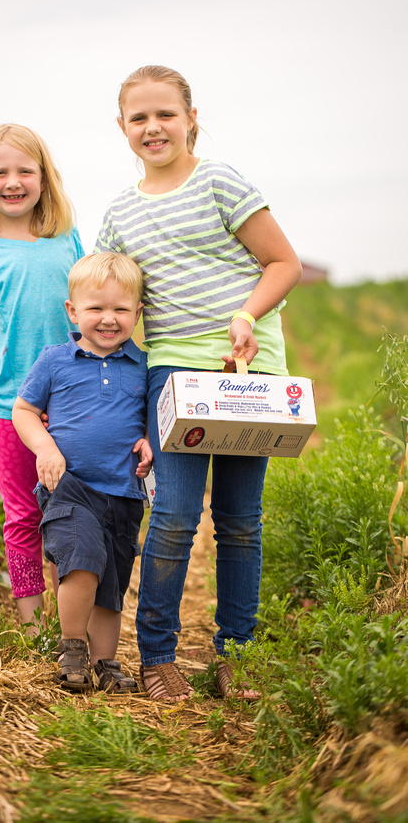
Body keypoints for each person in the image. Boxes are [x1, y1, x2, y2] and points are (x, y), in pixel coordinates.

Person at [95, 65, 303, 702]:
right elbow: (108, 299)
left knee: (241, 522)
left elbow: (283, 262)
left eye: (166, 115)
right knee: (175, 517)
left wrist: (245, 316)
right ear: (122, 127)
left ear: (190, 119)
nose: (153, 128)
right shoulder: (120, 215)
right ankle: (158, 658)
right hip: (173, 378)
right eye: (139, 118)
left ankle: (235, 654)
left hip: (247, 373)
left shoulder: (219, 181)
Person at [0, 123, 84, 631]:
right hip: (6, 403)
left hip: (70, 400)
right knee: (22, 516)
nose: (13, 181)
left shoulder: (66, 239)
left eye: (25, 170)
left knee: (72, 510)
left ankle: (74, 618)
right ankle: (34, 626)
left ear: (44, 178)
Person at [12, 252, 152, 692]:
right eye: (96, 308)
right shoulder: (55, 360)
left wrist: (149, 439)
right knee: (82, 563)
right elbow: (24, 410)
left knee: (112, 582)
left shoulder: (144, 367)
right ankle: (71, 645)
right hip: (69, 487)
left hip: (125, 492)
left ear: (138, 313)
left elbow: (154, 418)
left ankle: (105, 661)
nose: (108, 319)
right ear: (72, 311)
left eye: (120, 309)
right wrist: (45, 447)